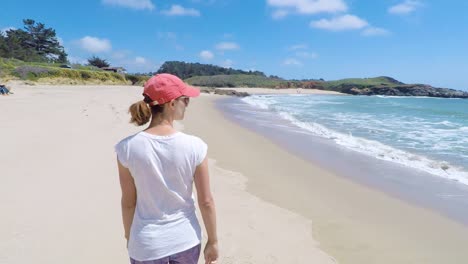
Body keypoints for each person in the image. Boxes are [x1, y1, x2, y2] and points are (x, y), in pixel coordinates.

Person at [115, 73, 219, 264]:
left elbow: (128, 203)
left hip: (146, 244)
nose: (187, 104)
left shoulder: (126, 148)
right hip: (184, 240)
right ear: (171, 103)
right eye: (185, 100)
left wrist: (130, 237)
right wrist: (213, 241)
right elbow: (206, 201)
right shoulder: (195, 146)